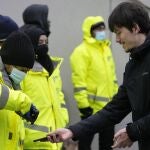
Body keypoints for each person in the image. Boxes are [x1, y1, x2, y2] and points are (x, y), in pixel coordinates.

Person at [47, 2, 150, 150]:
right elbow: (114, 109)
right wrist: (72, 131)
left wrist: (133, 132)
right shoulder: (133, 66)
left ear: (135, 28)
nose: (117, 39)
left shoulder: (110, 52)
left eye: (119, 32)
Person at [70, 16, 118, 150]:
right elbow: (78, 81)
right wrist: (84, 106)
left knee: (108, 145)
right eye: (98, 28)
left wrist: (115, 99)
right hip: (90, 109)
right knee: (85, 145)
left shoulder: (106, 49)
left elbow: (112, 77)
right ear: (89, 31)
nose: (102, 31)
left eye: (103, 28)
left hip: (109, 107)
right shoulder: (80, 52)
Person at [19, 26, 69, 150]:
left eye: (46, 42)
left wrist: (64, 118)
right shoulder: (22, 72)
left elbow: (59, 97)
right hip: (33, 141)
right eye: (40, 42)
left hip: (55, 137)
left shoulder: (51, 69)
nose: (44, 45)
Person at [0, 18, 39, 150]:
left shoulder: (13, 85)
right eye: (22, 70)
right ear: (9, 63)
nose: (24, 75)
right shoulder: (17, 97)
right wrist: (23, 103)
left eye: (27, 72)